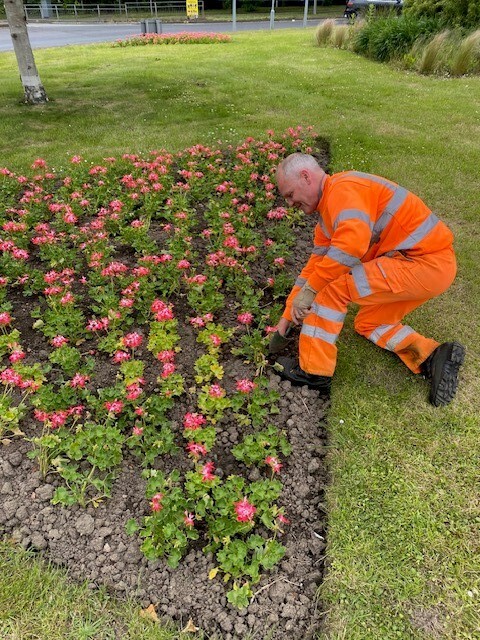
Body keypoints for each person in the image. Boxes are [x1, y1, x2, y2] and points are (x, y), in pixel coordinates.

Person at [269, 153, 465, 407]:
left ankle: (313, 371)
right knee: (369, 323)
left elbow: (350, 248)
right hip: (426, 268)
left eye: (290, 194)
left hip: (423, 264)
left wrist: (312, 291)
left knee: (329, 290)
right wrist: (284, 321)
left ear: (306, 177)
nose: (289, 203)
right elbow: (312, 269)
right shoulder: (328, 214)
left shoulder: (344, 190)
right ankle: (431, 355)